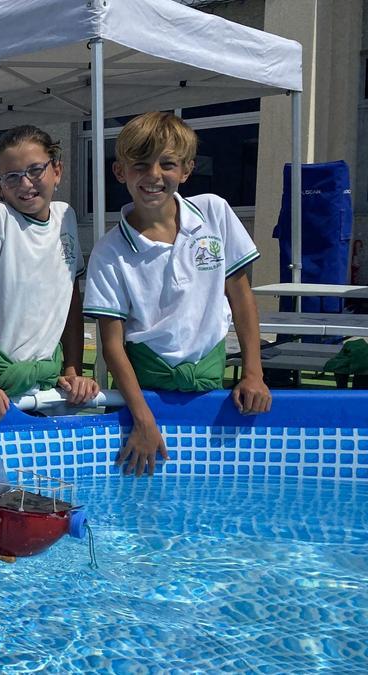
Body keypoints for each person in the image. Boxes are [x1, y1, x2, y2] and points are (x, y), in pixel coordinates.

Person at [84, 111, 271, 476]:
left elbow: (241, 295)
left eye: (167, 164)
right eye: (140, 165)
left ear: (186, 170)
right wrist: (143, 420)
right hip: (144, 388)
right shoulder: (109, 252)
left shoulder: (214, 212)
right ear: (120, 172)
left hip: (210, 380)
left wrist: (253, 373)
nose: (153, 175)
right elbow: (112, 346)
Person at [0, 125, 99, 427]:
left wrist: (73, 369)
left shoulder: (67, 218)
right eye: (12, 176)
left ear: (57, 171)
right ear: (0, 184)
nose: (25, 184)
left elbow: (70, 300)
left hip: (48, 392)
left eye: (35, 170)